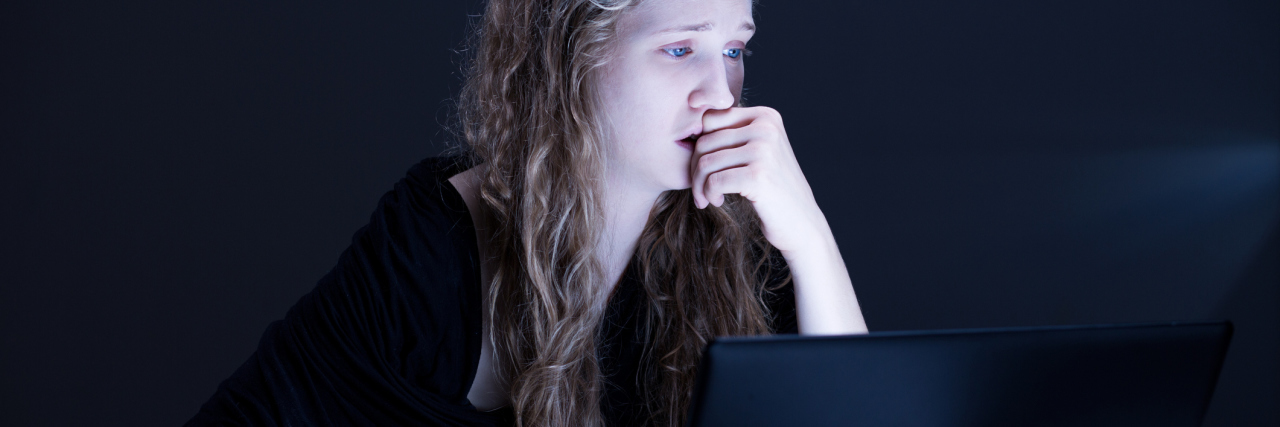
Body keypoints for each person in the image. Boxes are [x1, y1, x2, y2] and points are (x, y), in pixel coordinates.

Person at [188, 0, 867, 425]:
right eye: (679, 49)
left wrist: (809, 234)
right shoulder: (435, 244)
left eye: (734, 49)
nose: (722, 93)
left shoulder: (730, 230)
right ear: (573, 55)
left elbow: (860, 410)